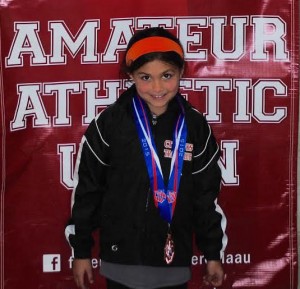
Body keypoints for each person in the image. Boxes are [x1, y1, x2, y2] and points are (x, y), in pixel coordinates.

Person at [65, 27, 227, 289]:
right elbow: (87, 191)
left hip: (173, 264)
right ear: (130, 75)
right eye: (145, 77)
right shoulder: (109, 124)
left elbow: (206, 196)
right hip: (119, 264)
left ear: (181, 72)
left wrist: (212, 254)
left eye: (167, 75)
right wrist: (81, 251)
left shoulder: (195, 127)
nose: (157, 87)